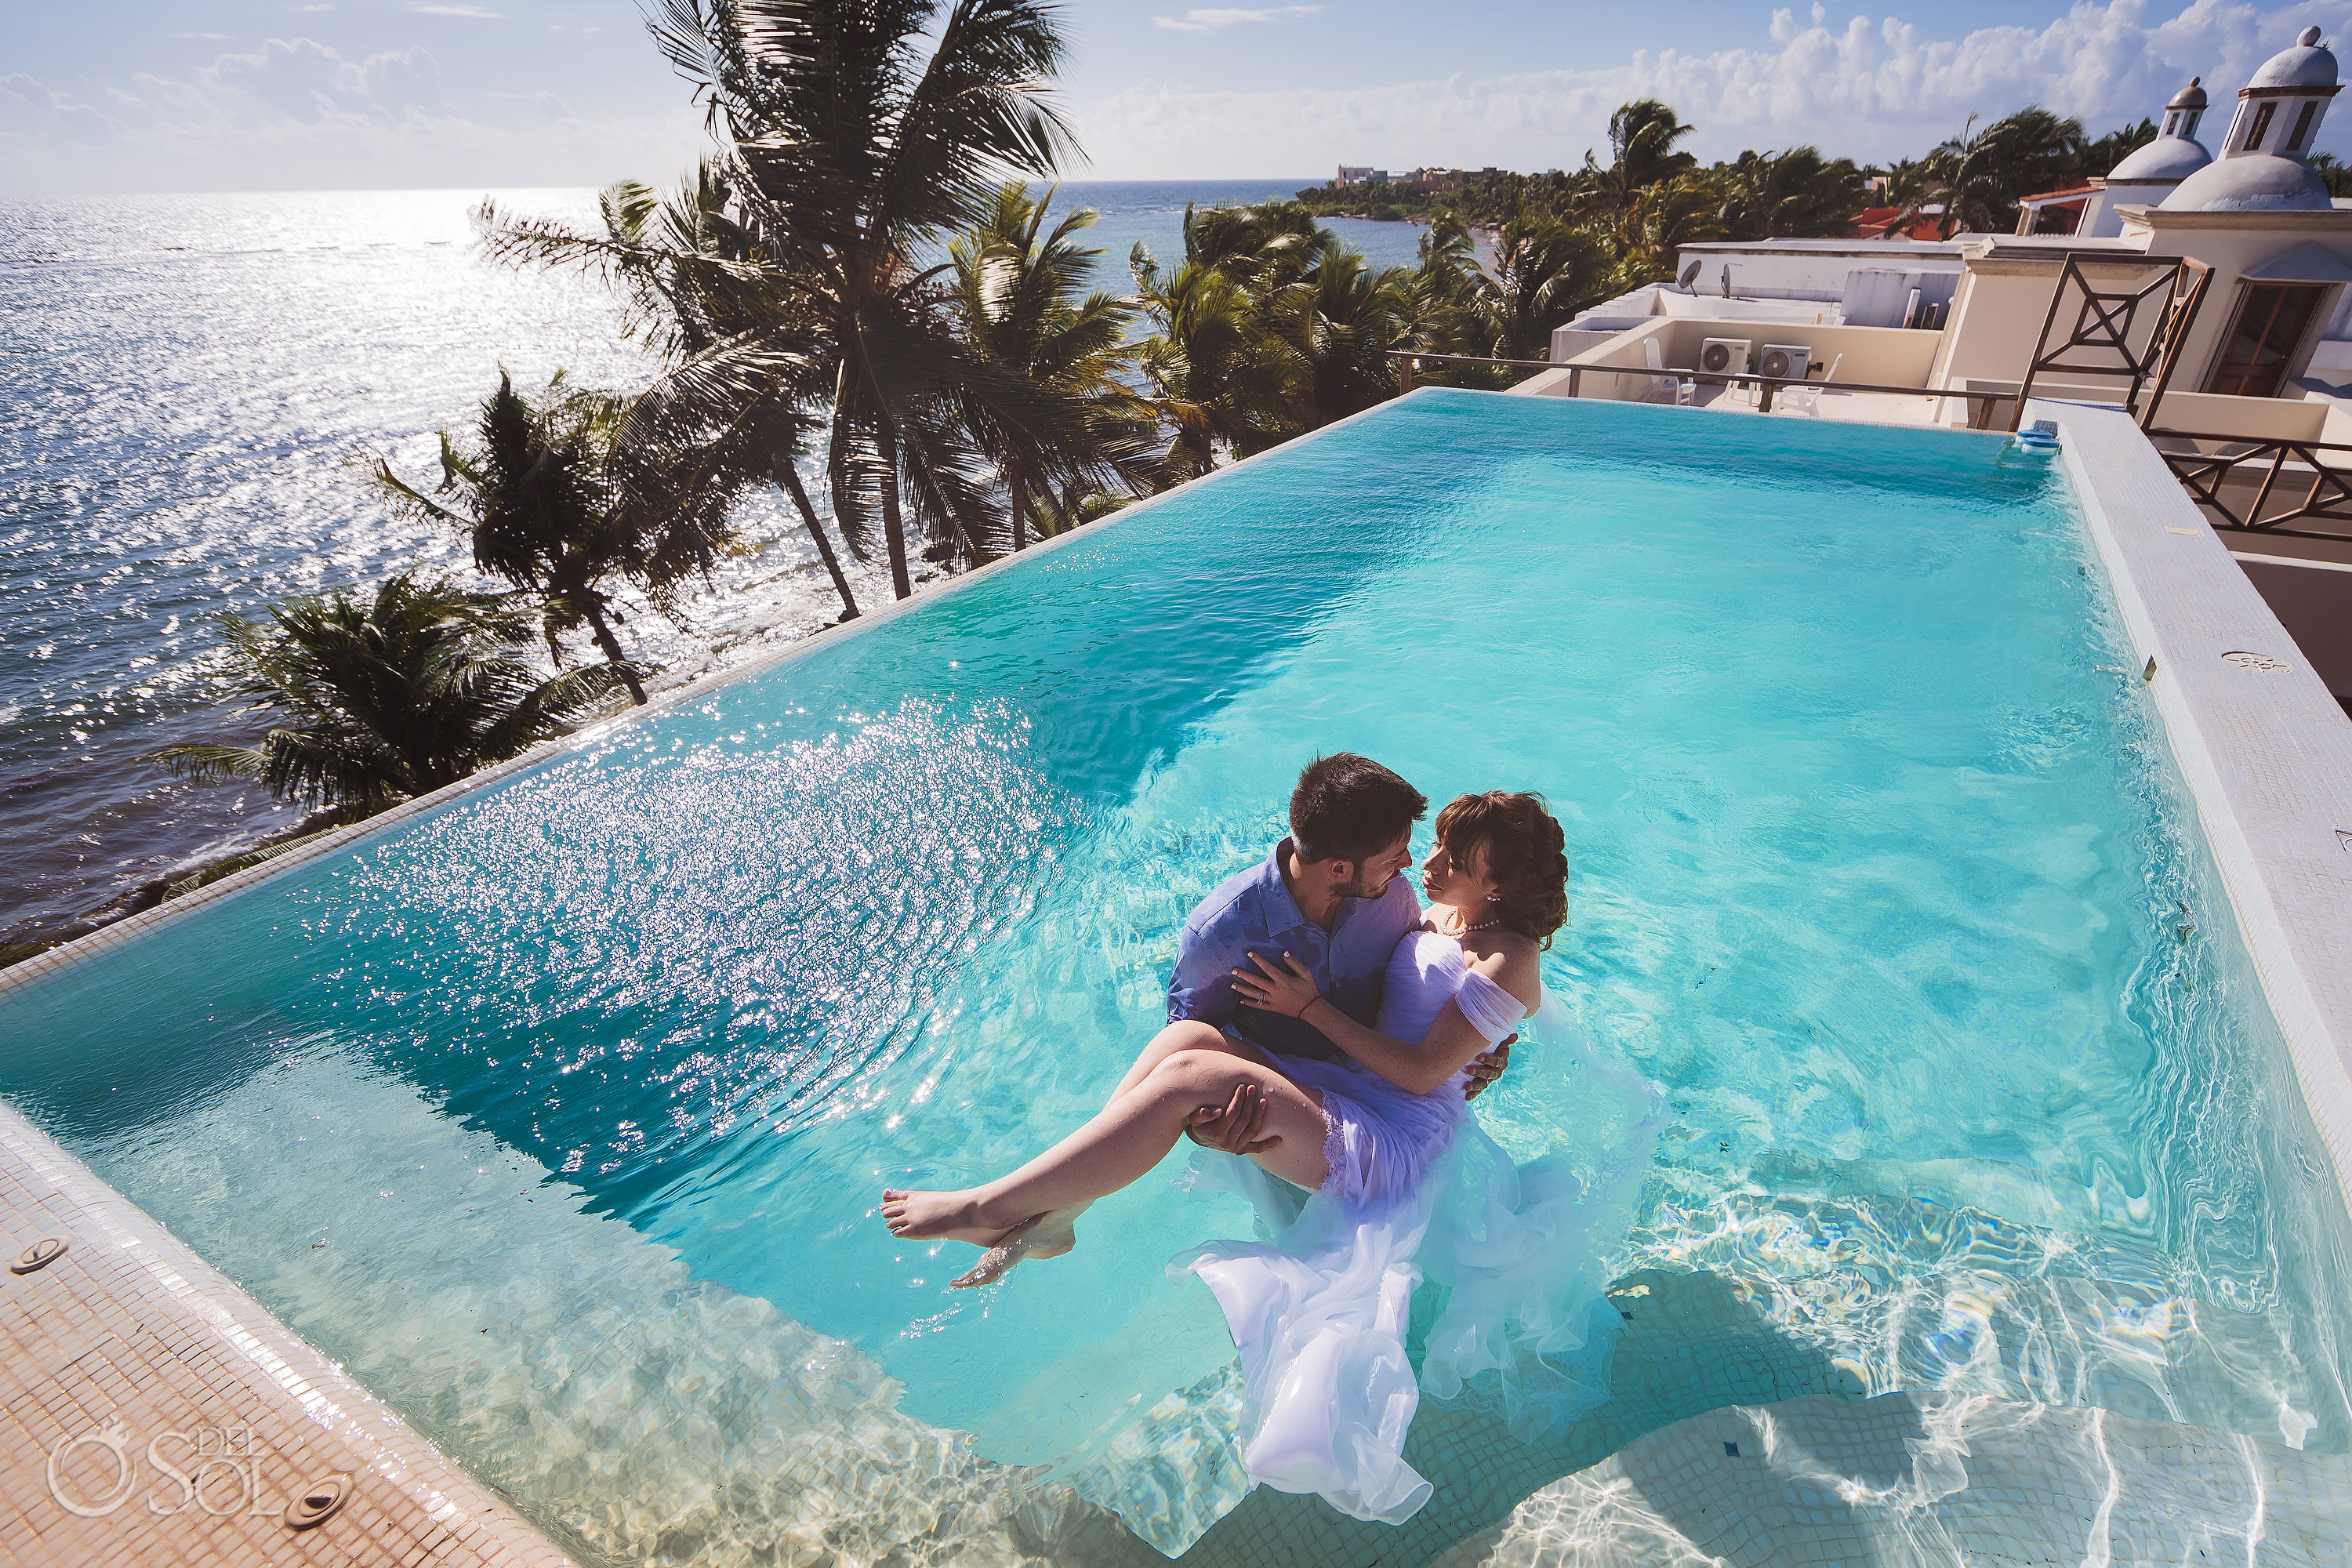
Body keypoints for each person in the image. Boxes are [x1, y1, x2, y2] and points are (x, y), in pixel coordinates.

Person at [881, 788, 1650, 1523]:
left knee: (1193, 1076)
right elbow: (1442, 1032)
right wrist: (1469, 1048)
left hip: (1398, 1134)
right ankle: (1059, 1213)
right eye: (1439, 844)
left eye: (1455, 854)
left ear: (1501, 883)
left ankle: (989, 1207)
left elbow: (1422, 1071)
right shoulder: (1435, 912)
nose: (1431, 859)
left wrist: (1311, 1008)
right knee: (1185, 1039)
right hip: (1350, 1086)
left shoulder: (1510, 955)